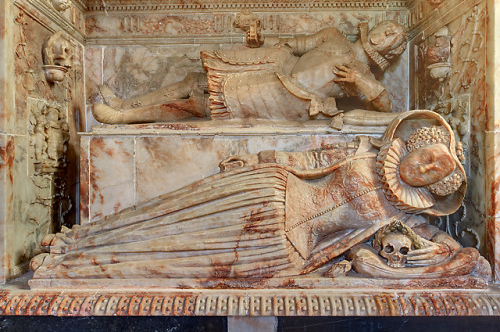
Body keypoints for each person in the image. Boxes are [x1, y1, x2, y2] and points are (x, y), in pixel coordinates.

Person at [30, 110, 486, 282]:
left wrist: (458, 259)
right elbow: (308, 162)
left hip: (276, 248)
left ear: (430, 188)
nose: (427, 167)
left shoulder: (402, 212)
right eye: (429, 156)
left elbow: (444, 248)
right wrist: (256, 161)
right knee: (164, 215)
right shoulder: (364, 152)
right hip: (267, 190)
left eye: (435, 172)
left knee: (173, 252)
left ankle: (68, 269)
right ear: (412, 143)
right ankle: (76, 240)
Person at [92, 21, 406, 124]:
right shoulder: (334, 35)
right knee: (194, 81)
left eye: (394, 36)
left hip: (292, 101)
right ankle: (126, 105)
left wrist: (361, 81)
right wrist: (259, 38)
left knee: (200, 104)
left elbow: (387, 109)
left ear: (391, 51)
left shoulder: (366, 76)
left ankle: (122, 119)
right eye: (388, 27)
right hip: (274, 69)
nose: (387, 32)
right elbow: (297, 43)